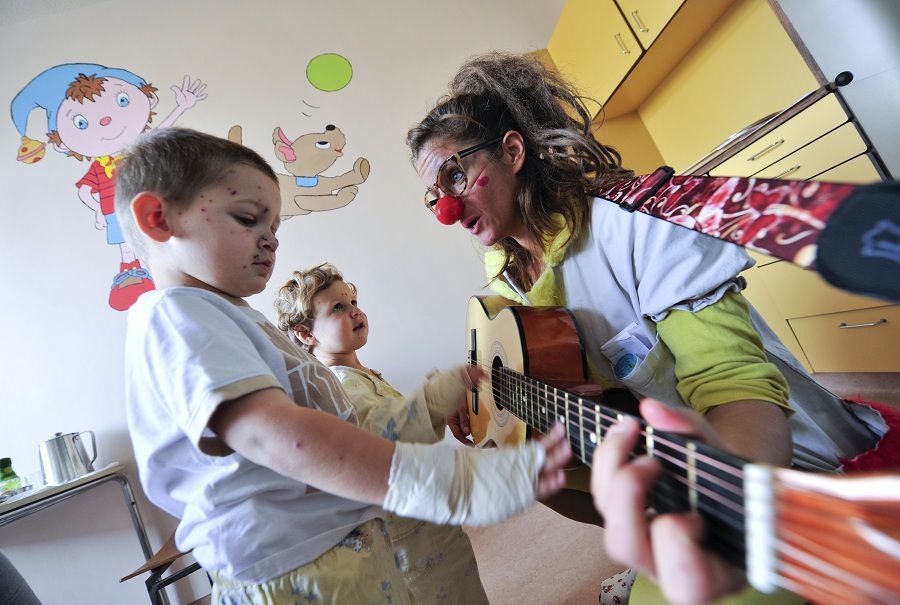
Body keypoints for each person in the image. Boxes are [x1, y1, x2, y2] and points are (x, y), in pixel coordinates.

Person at [405, 51, 894, 604]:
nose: (445, 207)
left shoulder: (636, 228)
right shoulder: (508, 283)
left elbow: (736, 386)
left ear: (513, 152)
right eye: (433, 196)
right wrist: (487, 403)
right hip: (668, 469)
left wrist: (720, 517)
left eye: (455, 175)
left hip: (793, 470)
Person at [116, 127, 571, 605]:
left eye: (274, 228)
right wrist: (450, 483)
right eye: (248, 219)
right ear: (158, 219)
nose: (270, 241)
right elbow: (276, 436)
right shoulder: (174, 315)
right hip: (290, 568)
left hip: (342, 544)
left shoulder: (232, 319)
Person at [274, 262, 489, 604]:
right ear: (306, 334)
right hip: (408, 536)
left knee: (461, 584)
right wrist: (435, 399)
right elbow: (383, 430)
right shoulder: (341, 385)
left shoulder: (361, 374)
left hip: (427, 518)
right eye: (338, 308)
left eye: (354, 302)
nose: (355, 312)